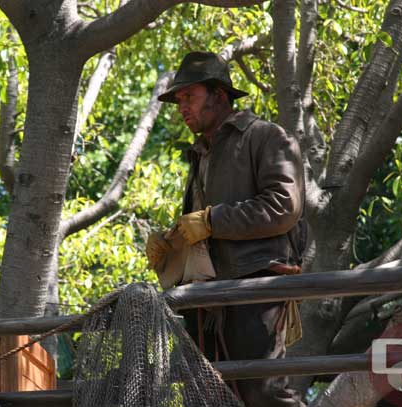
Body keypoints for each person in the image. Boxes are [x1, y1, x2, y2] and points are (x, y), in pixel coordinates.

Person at [146, 51, 307, 407]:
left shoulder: (265, 136)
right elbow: (204, 231)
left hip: (254, 288)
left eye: (189, 96)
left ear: (219, 94)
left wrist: (211, 221)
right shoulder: (200, 153)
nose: (181, 107)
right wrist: (171, 246)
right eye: (178, 100)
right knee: (207, 396)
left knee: (263, 394)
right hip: (207, 298)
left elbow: (284, 207)